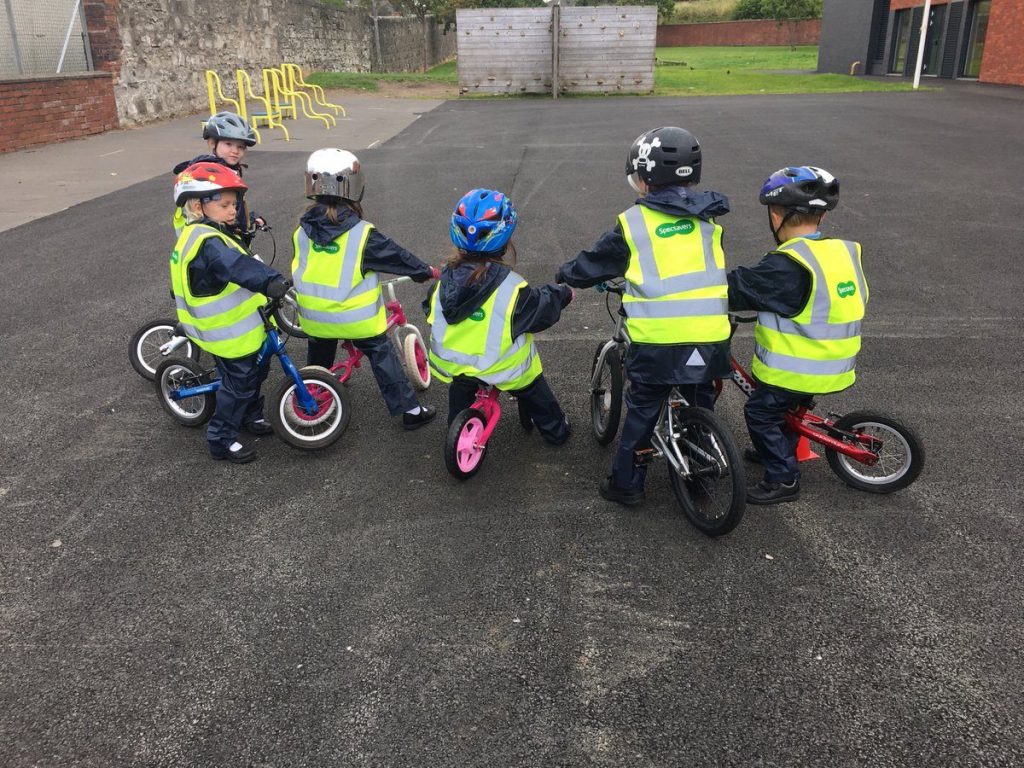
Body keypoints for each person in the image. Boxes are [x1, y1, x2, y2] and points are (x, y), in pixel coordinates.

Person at [556, 127, 732, 506]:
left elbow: (593, 264)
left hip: (657, 345)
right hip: (712, 340)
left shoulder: (634, 226)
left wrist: (566, 274)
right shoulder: (710, 222)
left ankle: (627, 485)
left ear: (644, 177)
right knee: (699, 401)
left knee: (643, 410)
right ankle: (702, 469)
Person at [728, 166, 868, 505]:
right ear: (820, 215)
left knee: (759, 413)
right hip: (837, 362)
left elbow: (737, 289)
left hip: (798, 369)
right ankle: (778, 449)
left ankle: (783, 477)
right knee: (783, 409)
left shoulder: (787, 264)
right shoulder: (844, 251)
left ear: (776, 214)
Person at [291, 148, 437, 430]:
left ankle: (313, 386)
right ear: (353, 187)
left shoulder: (300, 231)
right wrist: (424, 271)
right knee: (381, 352)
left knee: (320, 348)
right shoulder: (361, 234)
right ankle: (411, 411)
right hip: (356, 321)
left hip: (313, 317)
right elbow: (398, 257)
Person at [425, 188, 573, 444]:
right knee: (532, 385)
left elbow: (429, 309)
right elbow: (541, 310)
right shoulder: (512, 288)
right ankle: (556, 430)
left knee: (461, 390)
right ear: (505, 241)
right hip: (502, 367)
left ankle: (457, 425)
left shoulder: (442, 282)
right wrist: (562, 294)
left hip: (453, 364)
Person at [170, 162, 291, 463]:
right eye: (224, 204)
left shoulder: (210, 233)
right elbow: (237, 267)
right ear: (198, 206)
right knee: (238, 384)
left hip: (236, 329)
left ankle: (250, 416)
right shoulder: (209, 243)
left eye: (234, 204)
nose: (232, 210)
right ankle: (221, 439)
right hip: (225, 332)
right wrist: (272, 282)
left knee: (255, 372)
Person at [171, 111, 266, 243]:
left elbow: (226, 208)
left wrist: (249, 219)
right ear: (212, 143)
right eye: (228, 144)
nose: (235, 151)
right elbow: (210, 216)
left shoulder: (230, 170)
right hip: (212, 247)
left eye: (241, 147)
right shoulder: (207, 177)